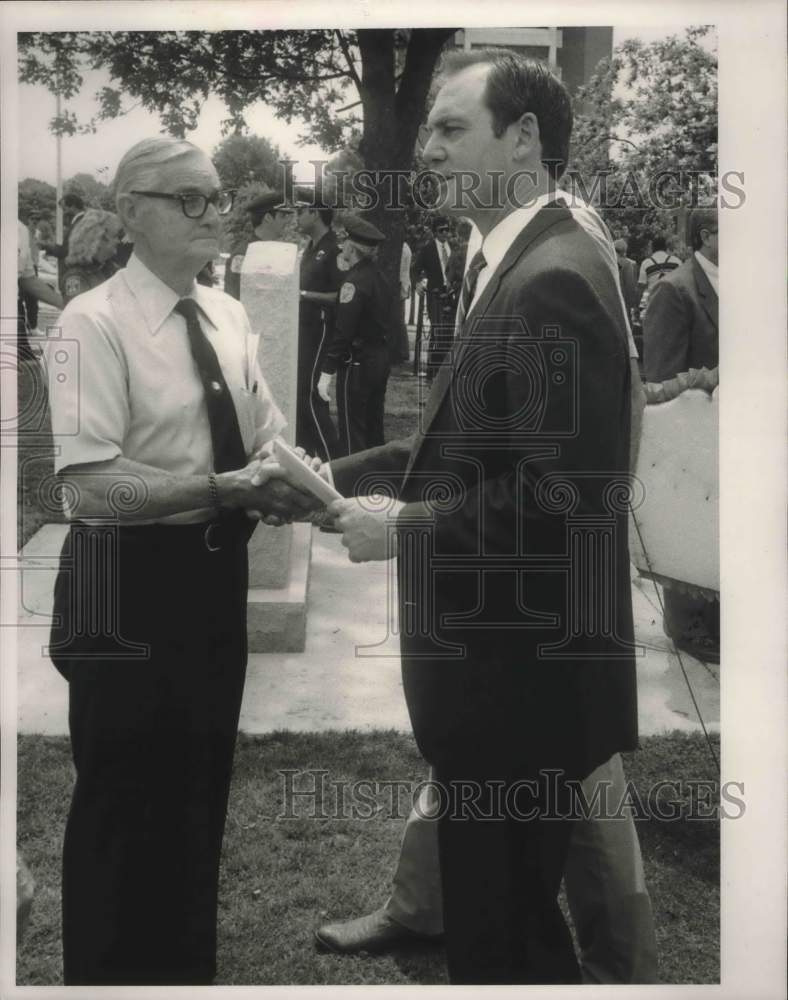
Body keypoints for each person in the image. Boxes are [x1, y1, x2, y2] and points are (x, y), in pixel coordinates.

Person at [321, 50, 639, 984]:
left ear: (525, 137)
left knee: (505, 945)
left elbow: (561, 499)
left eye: (450, 128)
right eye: (426, 129)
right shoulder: (513, 259)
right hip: (503, 689)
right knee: (507, 929)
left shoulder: (554, 277)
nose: (425, 150)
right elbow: (464, 450)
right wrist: (321, 473)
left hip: (519, 691)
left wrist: (399, 529)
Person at [46, 136, 316, 985]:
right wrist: (226, 489)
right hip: (122, 593)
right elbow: (89, 490)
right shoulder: (90, 323)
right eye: (188, 199)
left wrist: (310, 485)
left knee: (198, 799)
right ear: (131, 213)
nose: (214, 213)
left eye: (216, 197)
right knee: (122, 814)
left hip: (208, 584)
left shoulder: (228, 314)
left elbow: (269, 435)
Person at [643, 206, 719, 663]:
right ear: (708, 236)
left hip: (728, 428)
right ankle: (686, 622)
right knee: (688, 518)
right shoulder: (676, 290)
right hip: (689, 430)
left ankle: (712, 613)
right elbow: (660, 377)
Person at [318, 216, 392, 456]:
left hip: (358, 362)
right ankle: (378, 482)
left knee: (353, 432)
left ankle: (352, 486)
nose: (342, 246)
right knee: (374, 428)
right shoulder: (379, 277)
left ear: (352, 247)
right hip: (379, 357)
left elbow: (344, 330)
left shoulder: (354, 282)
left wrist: (327, 371)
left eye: (345, 241)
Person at [294, 192, 342, 460]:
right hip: (304, 330)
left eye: (301, 211)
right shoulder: (311, 248)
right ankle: (307, 455)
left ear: (315, 213)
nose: (297, 217)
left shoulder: (333, 249)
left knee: (313, 393)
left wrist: (302, 295)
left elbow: (340, 295)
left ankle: (331, 459)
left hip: (321, 329)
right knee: (301, 393)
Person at [415, 216, 454, 380]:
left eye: (447, 230)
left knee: (449, 332)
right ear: (434, 232)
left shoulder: (453, 247)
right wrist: (418, 284)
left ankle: (444, 372)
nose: (445, 233)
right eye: (441, 230)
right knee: (437, 331)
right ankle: (433, 372)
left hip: (451, 294)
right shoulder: (427, 249)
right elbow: (415, 269)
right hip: (436, 294)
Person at [17, 218, 63, 359]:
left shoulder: (20, 230)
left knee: (29, 370)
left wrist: (67, 303)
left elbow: (28, 279)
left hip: (12, 315)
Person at [60, 209, 124, 304]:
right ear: (100, 239)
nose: (118, 241)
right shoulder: (76, 277)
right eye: (115, 236)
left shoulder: (110, 269)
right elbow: (79, 313)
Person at [42, 192, 86, 292]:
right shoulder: (80, 221)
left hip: (73, 273)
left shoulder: (80, 223)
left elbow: (66, 250)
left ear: (73, 206)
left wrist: (47, 246)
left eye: (65, 209)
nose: (64, 213)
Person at [636, 234, 681, 315]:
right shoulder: (676, 261)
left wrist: (638, 308)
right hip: (673, 304)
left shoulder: (646, 263)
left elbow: (641, 288)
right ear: (666, 247)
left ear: (653, 248)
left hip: (653, 304)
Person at [614, 238, 639, 322]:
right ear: (624, 251)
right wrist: (633, 304)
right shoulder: (627, 264)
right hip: (623, 301)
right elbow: (630, 285)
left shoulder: (607, 261)